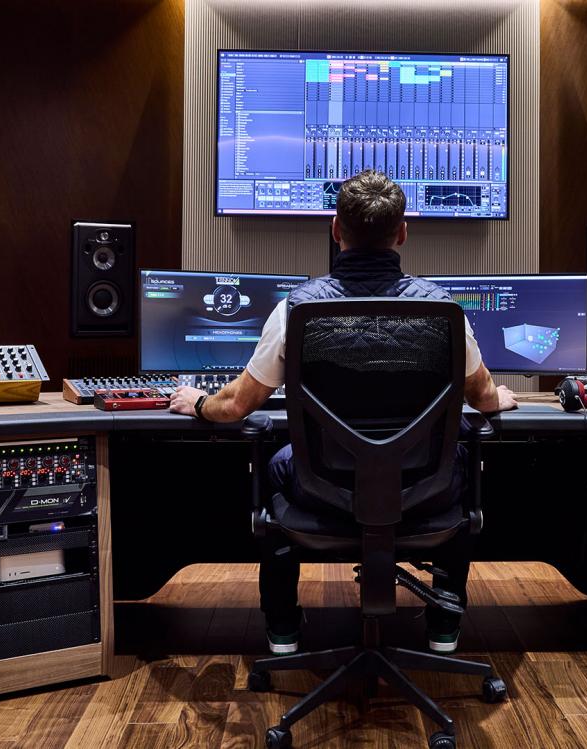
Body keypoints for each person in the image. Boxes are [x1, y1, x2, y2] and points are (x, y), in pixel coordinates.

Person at [169, 170, 518, 655]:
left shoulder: (296, 310)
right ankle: (444, 625)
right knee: (461, 461)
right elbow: (481, 397)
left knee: (275, 464)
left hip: (323, 490)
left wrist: (198, 403)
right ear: (402, 234)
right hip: (423, 489)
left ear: (336, 230)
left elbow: (237, 406)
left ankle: (283, 630)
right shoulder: (444, 311)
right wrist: (498, 398)